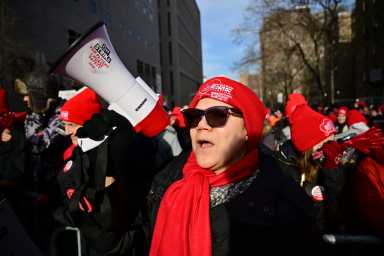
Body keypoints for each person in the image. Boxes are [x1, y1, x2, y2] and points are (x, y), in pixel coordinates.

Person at [146, 77, 320, 255]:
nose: (201, 125)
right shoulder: (164, 183)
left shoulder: (286, 202)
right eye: (194, 117)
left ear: (246, 129)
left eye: (217, 115)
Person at [56, 87, 159, 256]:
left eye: (72, 124)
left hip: (119, 245)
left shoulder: (119, 153)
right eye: (65, 124)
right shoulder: (77, 151)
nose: (67, 131)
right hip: (91, 240)